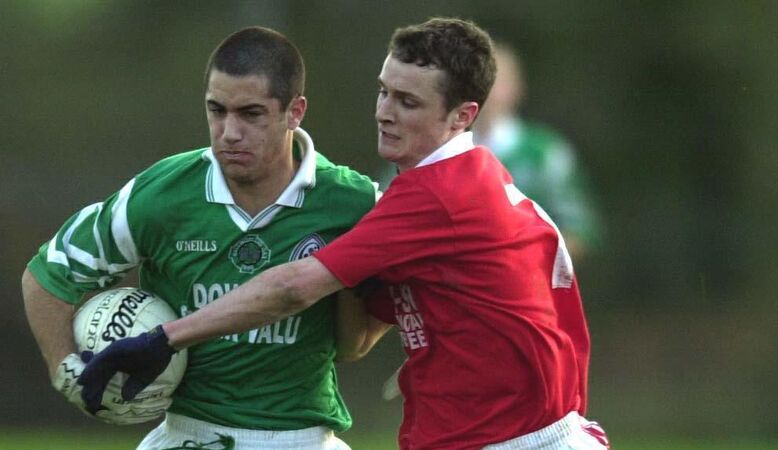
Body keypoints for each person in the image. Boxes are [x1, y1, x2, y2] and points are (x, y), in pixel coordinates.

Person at [78, 18, 610, 450]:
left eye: (408, 102)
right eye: (384, 92)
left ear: (462, 115)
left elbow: (294, 289)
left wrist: (163, 339)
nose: (384, 113)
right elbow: (356, 337)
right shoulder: (466, 179)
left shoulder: (440, 194)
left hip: (511, 440)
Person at [22, 27, 378, 450]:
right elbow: (48, 275)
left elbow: (354, 345)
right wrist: (64, 368)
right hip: (185, 434)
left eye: (251, 114)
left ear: (294, 111)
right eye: (216, 110)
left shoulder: (353, 203)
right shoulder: (162, 194)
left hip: (301, 438)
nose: (229, 132)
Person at [472, 42, 600, 263]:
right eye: (475, 80)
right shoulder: (442, 152)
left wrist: (528, 266)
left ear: (516, 88)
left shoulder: (544, 153)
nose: (487, 90)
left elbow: (577, 228)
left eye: (496, 81)